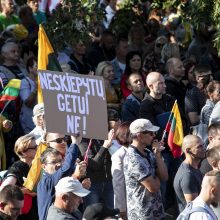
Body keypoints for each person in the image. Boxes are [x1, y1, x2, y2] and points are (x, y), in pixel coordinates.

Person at [124, 119, 168, 219]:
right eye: (151, 133)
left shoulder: (148, 152)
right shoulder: (133, 158)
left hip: (157, 211)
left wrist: (157, 155)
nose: (154, 136)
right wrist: (157, 176)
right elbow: (153, 187)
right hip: (142, 214)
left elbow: (165, 177)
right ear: (139, 136)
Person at [37, 134, 86, 220]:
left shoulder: (57, 178)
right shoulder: (46, 181)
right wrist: (75, 143)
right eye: (54, 162)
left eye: (60, 161)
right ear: (44, 166)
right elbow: (66, 168)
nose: (59, 164)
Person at [174, 135, 206, 212]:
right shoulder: (187, 176)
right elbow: (195, 208)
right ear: (188, 150)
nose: (204, 148)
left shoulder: (194, 166)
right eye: (199, 147)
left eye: (204, 145)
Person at [111, 122, 130, 219]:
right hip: (129, 204)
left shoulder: (146, 152)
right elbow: (118, 183)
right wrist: (121, 209)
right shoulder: (119, 156)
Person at [19, 56, 38, 134]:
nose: (40, 68)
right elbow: (28, 103)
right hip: (30, 123)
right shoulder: (24, 82)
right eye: (37, 66)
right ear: (30, 68)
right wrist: (36, 89)